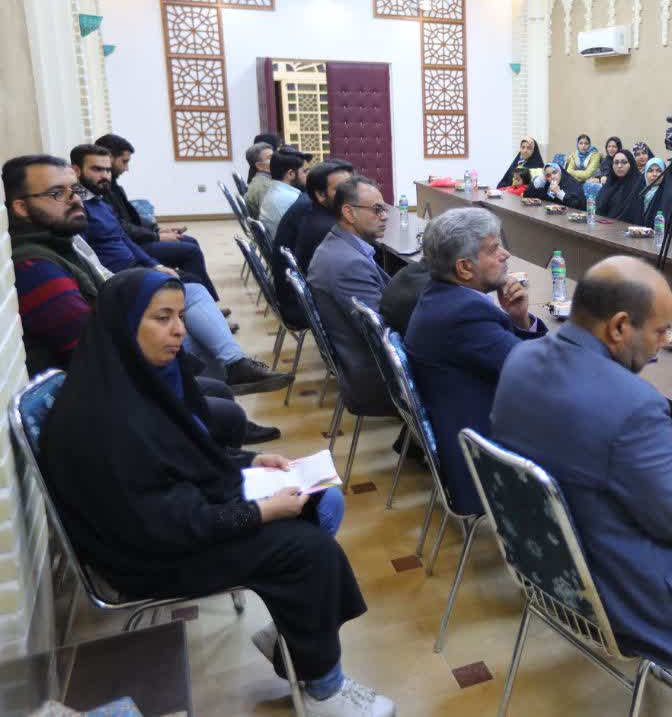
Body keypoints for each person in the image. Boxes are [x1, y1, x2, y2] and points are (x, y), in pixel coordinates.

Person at [36, 269, 393, 717]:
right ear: (124, 325)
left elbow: (186, 456)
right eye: (162, 318)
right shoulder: (106, 420)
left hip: (177, 513)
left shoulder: (138, 377)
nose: (179, 330)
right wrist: (262, 512)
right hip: (149, 555)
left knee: (323, 500)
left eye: (180, 316)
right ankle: (324, 688)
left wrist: (248, 462)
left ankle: (295, 625)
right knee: (310, 552)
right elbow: (164, 523)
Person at [491, 256, 672, 669]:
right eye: (661, 330)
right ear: (619, 327)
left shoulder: (520, 359)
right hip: (630, 603)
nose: (663, 342)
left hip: (547, 574)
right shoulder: (634, 405)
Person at [5, 156, 280, 444]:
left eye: (75, 190)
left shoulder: (61, 243)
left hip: (111, 371)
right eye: (57, 193)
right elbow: (94, 350)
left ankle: (229, 391)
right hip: (100, 399)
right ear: (21, 207)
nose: (75, 199)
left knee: (207, 371)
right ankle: (217, 441)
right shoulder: (36, 268)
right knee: (219, 402)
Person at [69, 146, 292, 393]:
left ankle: (225, 377)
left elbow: (125, 239)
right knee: (192, 290)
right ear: (76, 170)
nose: (105, 176)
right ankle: (231, 369)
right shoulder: (78, 210)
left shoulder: (98, 202)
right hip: (123, 280)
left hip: (136, 269)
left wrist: (155, 265)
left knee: (191, 300)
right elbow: (90, 262)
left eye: (107, 170)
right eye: (97, 169)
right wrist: (144, 269)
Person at [403, 208, 547, 517]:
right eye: (494, 249)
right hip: (488, 456)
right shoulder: (465, 315)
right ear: (465, 267)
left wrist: (520, 319)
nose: (506, 255)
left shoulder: (442, 296)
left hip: (470, 431)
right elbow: (537, 375)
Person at [92, 134, 222, 302]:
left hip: (134, 244)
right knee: (191, 252)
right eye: (124, 162)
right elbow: (122, 229)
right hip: (133, 248)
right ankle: (200, 302)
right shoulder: (95, 195)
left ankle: (205, 303)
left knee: (189, 242)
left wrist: (157, 231)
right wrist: (156, 237)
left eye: (106, 170)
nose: (126, 168)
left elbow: (129, 222)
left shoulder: (111, 188)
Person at [306, 176, 396, 416]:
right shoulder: (348, 264)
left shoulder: (338, 244)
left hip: (361, 362)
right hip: (376, 378)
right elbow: (385, 334)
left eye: (384, 209)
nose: (384, 216)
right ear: (349, 212)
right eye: (377, 210)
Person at [271, 159, 355, 326]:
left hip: (299, 298)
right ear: (320, 195)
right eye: (341, 189)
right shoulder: (327, 229)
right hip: (305, 308)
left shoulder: (313, 209)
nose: (352, 194)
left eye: (353, 187)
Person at [259, 149, 307, 240]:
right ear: (291, 174)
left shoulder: (273, 190)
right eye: (304, 172)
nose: (307, 176)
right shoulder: (293, 199)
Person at [595, 148, 645, 221]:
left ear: (631, 164)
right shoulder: (610, 183)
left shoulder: (638, 184)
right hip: (603, 224)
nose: (619, 166)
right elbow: (599, 209)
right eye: (616, 162)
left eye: (624, 162)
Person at [244, 142, 277, 217]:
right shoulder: (264, 187)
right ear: (260, 166)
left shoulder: (262, 180)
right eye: (271, 158)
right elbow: (273, 217)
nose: (277, 159)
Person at [639, 157, 670, 226]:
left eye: (659, 171)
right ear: (645, 173)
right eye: (650, 171)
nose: (654, 174)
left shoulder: (668, 195)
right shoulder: (639, 191)